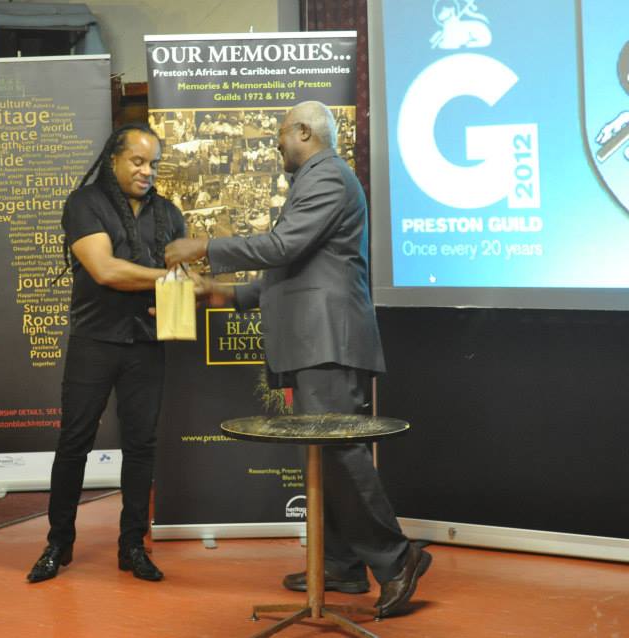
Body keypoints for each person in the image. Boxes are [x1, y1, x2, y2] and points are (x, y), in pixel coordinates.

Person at [164, 101, 431, 618]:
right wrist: (222, 293)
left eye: (282, 133)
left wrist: (205, 246)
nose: (277, 143)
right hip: (314, 341)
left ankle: (399, 559)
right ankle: (341, 564)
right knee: (325, 454)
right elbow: (291, 270)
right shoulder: (313, 181)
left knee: (340, 452)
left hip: (327, 340)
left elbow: (283, 246)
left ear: (305, 131)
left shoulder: (326, 175)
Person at [27, 123, 186, 584]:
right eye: (137, 161)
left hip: (147, 343)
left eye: (153, 164)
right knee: (74, 441)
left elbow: (181, 281)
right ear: (114, 159)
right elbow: (104, 269)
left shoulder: (169, 213)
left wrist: (181, 292)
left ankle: (132, 545)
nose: (146, 171)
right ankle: (58, 543)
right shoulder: (84, 203)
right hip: (95, 340)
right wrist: (166, 279)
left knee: (141, 446)